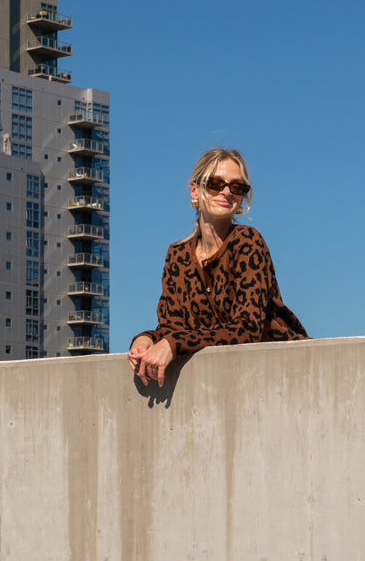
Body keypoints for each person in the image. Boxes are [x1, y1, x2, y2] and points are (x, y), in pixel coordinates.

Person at [129, 147, 308, 387]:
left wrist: (174, 343)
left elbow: (245, 331)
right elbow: (172, 328)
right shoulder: (178, 255)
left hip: (287, 374)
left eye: (237, 187)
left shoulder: (248, 242)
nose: (226, 192)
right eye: (215, 183)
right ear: (195, 190)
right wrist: (147, 339)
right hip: (228, 383)